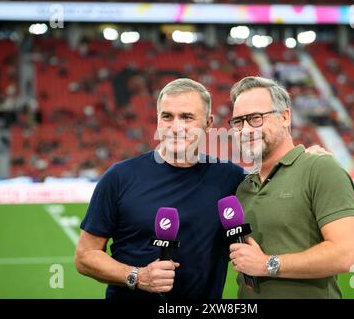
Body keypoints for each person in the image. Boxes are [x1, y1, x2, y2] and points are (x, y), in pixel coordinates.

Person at [75, 77, 329, 299]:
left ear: (208, 123)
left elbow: (275, 177)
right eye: (167, 116)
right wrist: (136, 276)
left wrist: (306, 161)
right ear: (157, 120)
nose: (176, 127)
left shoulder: (230, 178)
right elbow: (85, 256)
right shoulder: (120, 177)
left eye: (187, 117)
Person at [227, 76, 354, 299]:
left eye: (256, 118)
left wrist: (266, 264)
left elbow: (344, 255)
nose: (245, 129)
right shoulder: (242, 187)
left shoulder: (320, 168)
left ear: (285, 117)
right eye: (238, 121)